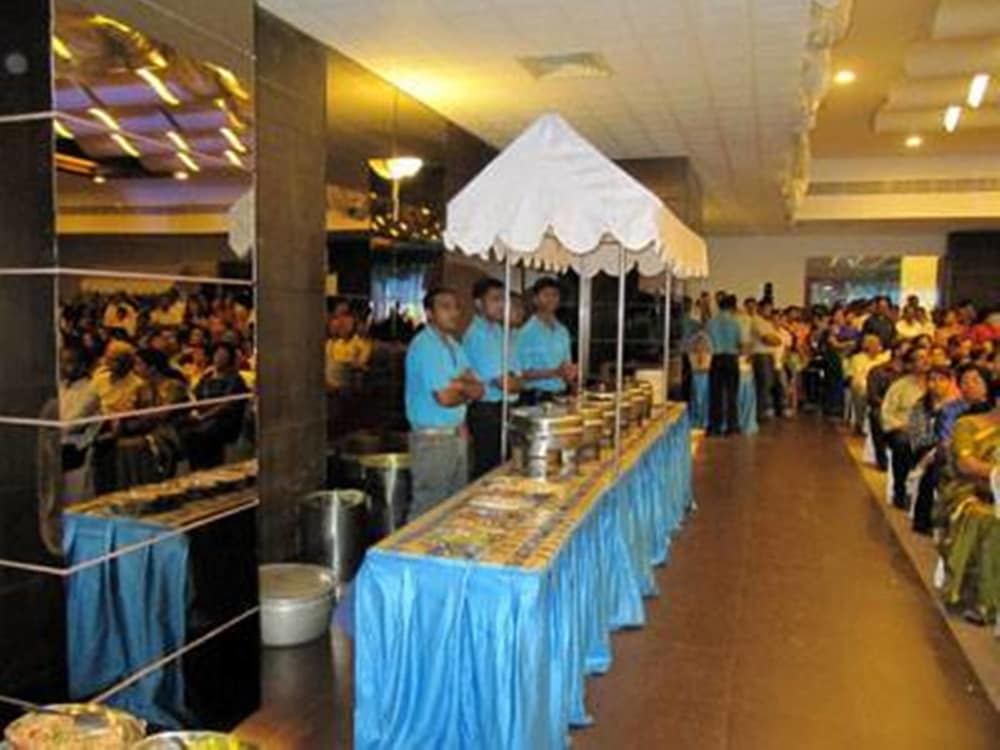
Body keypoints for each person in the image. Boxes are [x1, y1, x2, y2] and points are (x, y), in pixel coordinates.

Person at [405, 288, 484, 520]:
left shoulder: (454, 345)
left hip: (456, 434)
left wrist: (460, 386)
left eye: (456, 307)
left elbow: (479, 388)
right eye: (445, 307)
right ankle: (413, 545)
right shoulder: (425, 345)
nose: (454, 313)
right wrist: (465, 390)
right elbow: (445, 398)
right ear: (429, 313)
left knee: (453, 506)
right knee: (428, 509)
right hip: (432, 439)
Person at [936, 366, 999, 625]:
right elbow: (966, 465)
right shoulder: (968, 425)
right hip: (969, 490)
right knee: (990, 522)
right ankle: (983, 600)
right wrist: (995, 473)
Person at [463, 278, 523, 478]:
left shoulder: (498, 331)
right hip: (487, 411)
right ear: (479, 304)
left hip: (505, 409)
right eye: (495, 299)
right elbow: (506, 383)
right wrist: (514, 382)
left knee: (506, 467)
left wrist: (515, 381)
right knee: (489, 471)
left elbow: (517, 374)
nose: (502, 305)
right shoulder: (478, 335)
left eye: (504, 300)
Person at [186, 342, 250, 469]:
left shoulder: (235, 379)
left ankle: (211, 467)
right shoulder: (207, 377)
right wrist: (195, 412)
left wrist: (205, 416)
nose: (218, 358)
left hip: (224, 418)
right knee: (186, 431)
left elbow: (227, 404)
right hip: (203, 415)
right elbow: (195, 395)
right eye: (217, 354)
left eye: (223, 355)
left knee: (205, 432)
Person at [881, 346, 930, 509]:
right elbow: (886, 413)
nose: (925, 361)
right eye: (920, 358)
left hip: (930, 430)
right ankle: (900, 490)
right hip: (902, 429)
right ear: (910, 364)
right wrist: (902, 426)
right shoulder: (900, 386)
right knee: (902, 443)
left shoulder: (936, 383)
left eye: (927, 356)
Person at [515, 278, 577, 404]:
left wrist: (574, 385)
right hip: (536, 397)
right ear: (535, 299)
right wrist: (555, 372)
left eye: (555, 295)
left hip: (561, 394)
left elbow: (566, 367)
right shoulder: (526, 332)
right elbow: (521, 373)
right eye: (546, 295)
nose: (551, 299)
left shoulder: (562, 331)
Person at [705, 295, 742, 436]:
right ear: (732, 307)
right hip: (731, 359)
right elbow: (740, 343)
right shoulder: (735, 323)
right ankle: (732, 426)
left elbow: (707, 341)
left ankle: (715, 427)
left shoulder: (711, 322)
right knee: (732, 393)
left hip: (716, 358)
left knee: (715, 394)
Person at [846, 334, 889, 434]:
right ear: (866, 346)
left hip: (877, 385)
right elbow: (853, 375)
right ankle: (860, 422)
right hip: (861, 383)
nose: (876, 347)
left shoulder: (883, 359)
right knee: (861, 388)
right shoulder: (857, 358)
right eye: (872, 344)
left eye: (878, 344)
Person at [750, 300, 783, 420]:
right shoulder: (757, 321)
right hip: (761, 355)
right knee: (763, 383)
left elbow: (778, 339)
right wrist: (775, 340)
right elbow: (768, 339)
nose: (769, 311)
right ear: (760, 308)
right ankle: (759, 412)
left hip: (769, 355)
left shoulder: (767, 323)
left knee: (768, 384)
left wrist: (776, 339)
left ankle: (763, 409)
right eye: (767, 308)